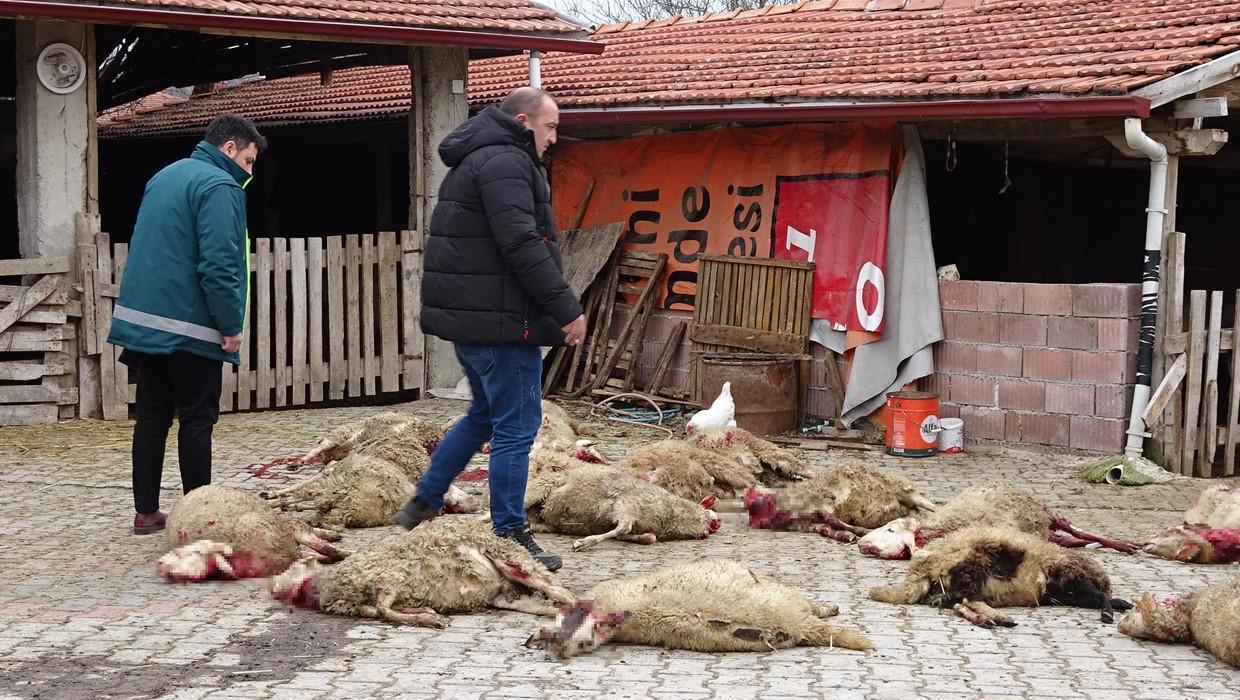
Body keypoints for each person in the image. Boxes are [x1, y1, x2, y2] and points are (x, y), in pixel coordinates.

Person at [395, 87, 586, 571]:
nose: (555, 137)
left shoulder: (477, 158)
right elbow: (521, 243)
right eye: (550, 126)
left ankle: (424, 500)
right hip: (503, 324)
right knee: (516, 426)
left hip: (474, 321)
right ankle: (510, 532)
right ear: (524, 122)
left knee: (483, 415)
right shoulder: (505, 163)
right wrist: (565, 307)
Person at [107, 115, 266, 535]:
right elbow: (219, 264)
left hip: (146, 323)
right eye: (249, 161)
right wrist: (230, 326)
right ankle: (199, 516)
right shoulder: (220, 186)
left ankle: (146, 512)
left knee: (152, 418)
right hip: (191, 326)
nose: (249, 172)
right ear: (229, 148)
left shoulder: (164, 177)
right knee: (197, 420)